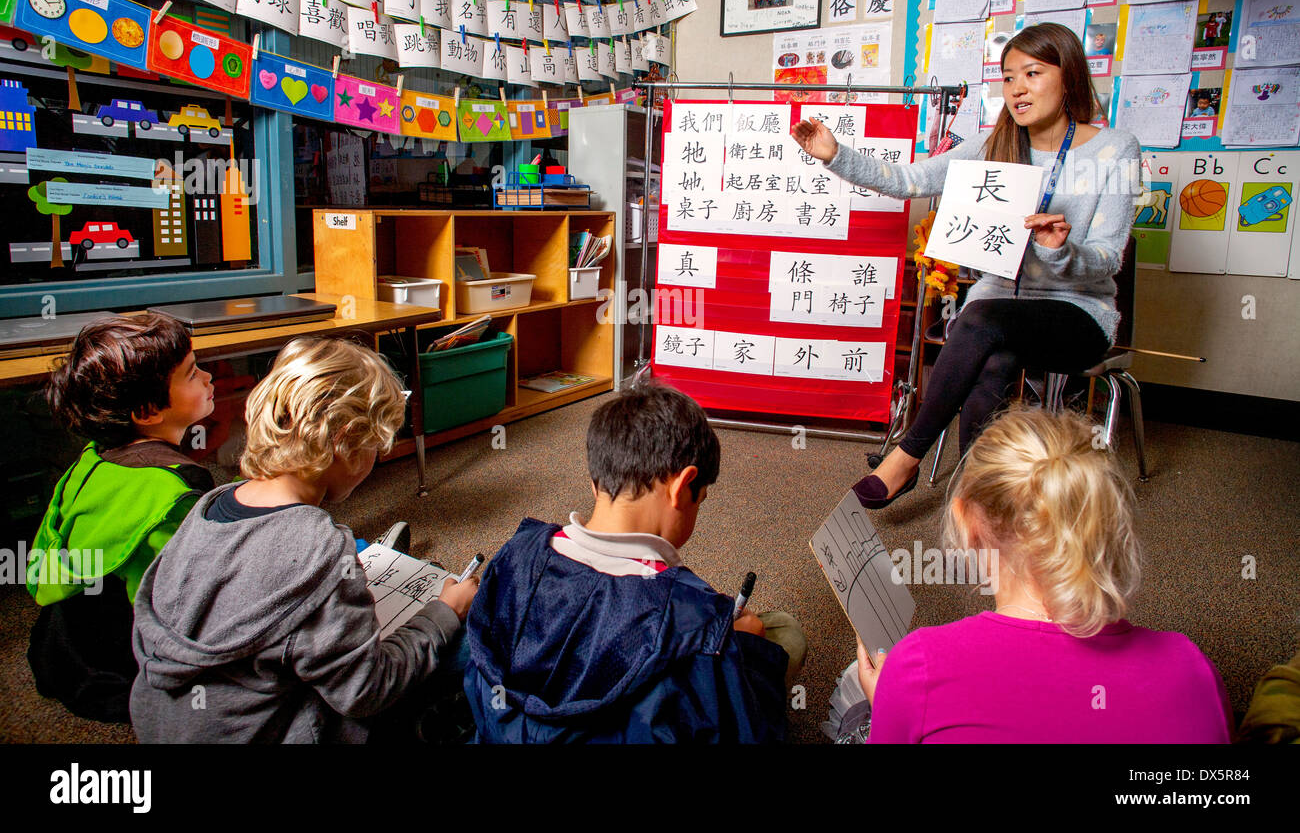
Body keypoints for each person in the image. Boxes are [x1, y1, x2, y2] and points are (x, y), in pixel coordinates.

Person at [791, 23, 1140, 509]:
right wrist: (836, 155)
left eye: (1033, 73)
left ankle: (908, 455)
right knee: (992, 350)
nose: (1017, 88)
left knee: (980, 319)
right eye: (1008, 76)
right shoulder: (993, 143)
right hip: (999, 311)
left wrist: (1061, 248)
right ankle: (979, 497)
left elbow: (1107, 255)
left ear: (1070, 77)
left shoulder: (1114, 149)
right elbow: (910, 180)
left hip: (1076, 311)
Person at [130, 337, 478, 743]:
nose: (374, 460)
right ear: (344, 441)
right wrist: (444, 614)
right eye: (373, 449)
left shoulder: (211, 504)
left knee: (358, 564)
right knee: (468, 641)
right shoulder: (320, 546)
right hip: (266, 732)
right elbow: (367, 690)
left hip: (168, 725)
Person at [852, 407, 1234, 743]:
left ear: (964, 518)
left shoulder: (918, 667)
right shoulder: (1192, 668)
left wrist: (887, 702)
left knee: (850, 701)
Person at [464, 383, 804, 743]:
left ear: (596, 483)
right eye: (699, 500)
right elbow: (744, 730)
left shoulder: (518, 551)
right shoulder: (694, 616)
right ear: (682, 486)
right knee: (784, 635)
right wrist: (740, 649)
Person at [26, 313, 216, 724]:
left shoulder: (94, 457)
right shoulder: (178, 490)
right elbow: (185, 602)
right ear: (147, 410)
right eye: (191, 373)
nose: (207, 376)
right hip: (118, 671)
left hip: (59, 653)